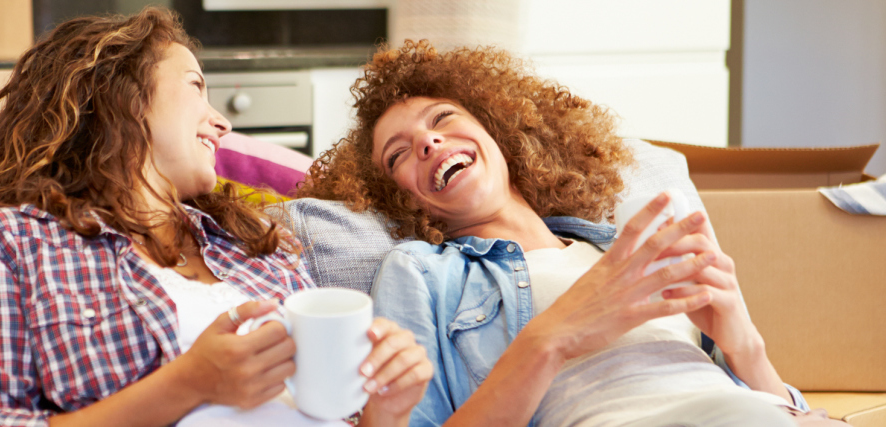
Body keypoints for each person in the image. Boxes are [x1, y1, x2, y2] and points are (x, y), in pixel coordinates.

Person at [0, 9, 432, 427]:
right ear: (121, 97)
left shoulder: (255, 247)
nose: (221, 123)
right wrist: (188, 384)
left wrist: (389, 406)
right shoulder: (5, 241)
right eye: (197, 87)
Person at [298, 40, 845, 427]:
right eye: (399, 153)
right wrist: (550, 338)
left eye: (442, 119)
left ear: (498, 131)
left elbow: (782, 406)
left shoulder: (616, 245)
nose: (428, 143)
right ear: (399, 195)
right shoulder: (419, 272)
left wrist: (743, 342)